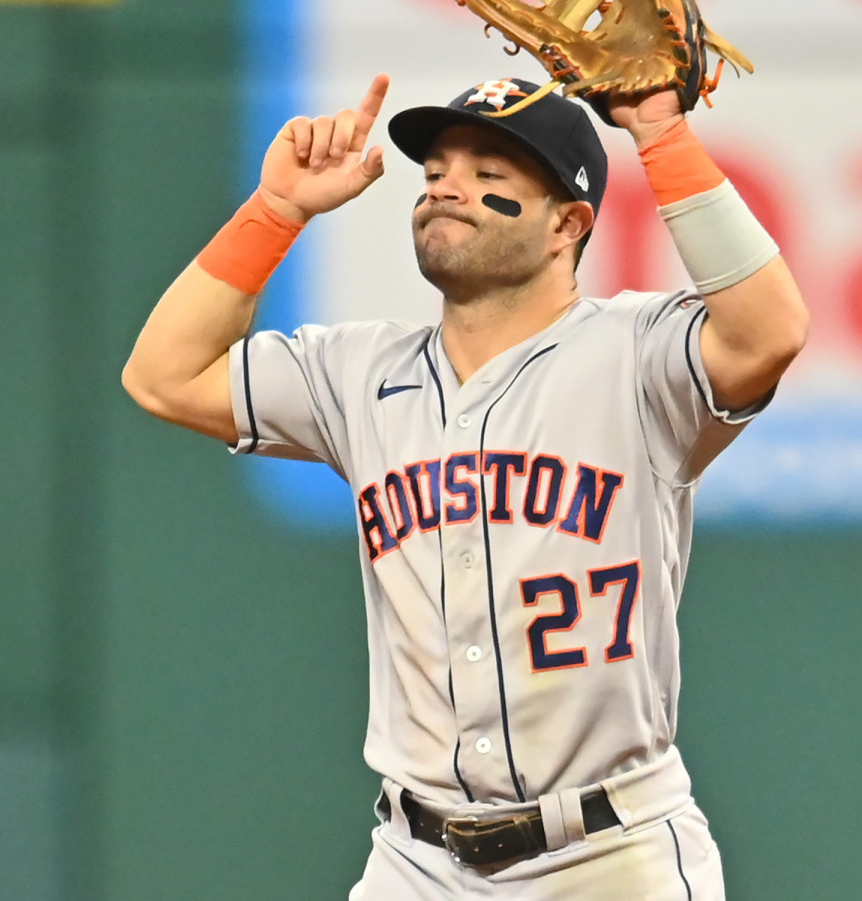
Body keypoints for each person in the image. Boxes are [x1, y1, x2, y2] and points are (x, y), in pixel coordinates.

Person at [123, 71, 808, 899]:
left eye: (490, 175)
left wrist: (661, 135)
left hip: (607, 852)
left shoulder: (637, 356)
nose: (449, 185)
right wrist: (277, 212)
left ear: (569, 224)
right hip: (417, 859)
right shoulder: (359, 373)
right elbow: (163, 376)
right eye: (437, 169)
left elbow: (771, 328)